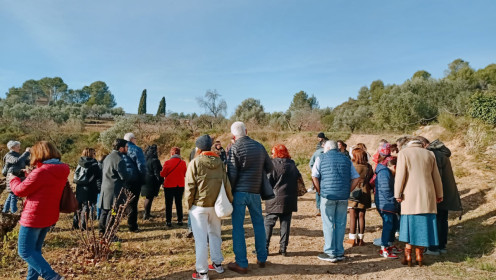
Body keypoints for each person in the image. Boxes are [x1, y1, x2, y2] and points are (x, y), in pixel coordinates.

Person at [9, 141, 69, 280]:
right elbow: (44, 183)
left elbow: (20, 190)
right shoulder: (63, 169)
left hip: (33, 216)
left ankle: (52, 277)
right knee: (35, 251)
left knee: (25, 251)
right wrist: (32, 174)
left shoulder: (41, 172)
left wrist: (13, 179)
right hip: (49, 215)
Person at [227, 121, 274, 274]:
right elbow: (269, 167)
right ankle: (262, 258)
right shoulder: (259, 146)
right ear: (246, 131)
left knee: (238, 228)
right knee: (259, 224)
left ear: (234, 135)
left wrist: (229, 191)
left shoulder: (234, 147)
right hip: (255, 191)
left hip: (239, 192)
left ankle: (241, 263)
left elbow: (232, 173)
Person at [185, 135, 233, 280]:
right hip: (215, 206)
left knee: (200, 240)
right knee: (215, 235)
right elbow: (226, 184)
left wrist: (188, 206)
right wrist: (229, 201)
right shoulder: (219, 162)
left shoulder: (195, 162)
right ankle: (217, 264)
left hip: (199, 206)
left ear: (198, 148)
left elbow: (190, 187)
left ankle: (202, 272)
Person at [394, 137, 443, 267]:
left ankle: (408, 255)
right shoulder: (429, 153)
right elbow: (436, 176)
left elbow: (400, 175)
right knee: (424, 226)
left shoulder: (404, 153)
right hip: (427, 195)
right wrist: (439, 194)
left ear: (408, 145)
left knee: (409, 225)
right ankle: (420, 256)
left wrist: (397, 193)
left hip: (409, 195)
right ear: (421, 145)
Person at [312, 140, 360, 263]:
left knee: (328, 223)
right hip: (343, 196)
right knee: (340, 224)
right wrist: (348, 190)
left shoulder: (321, 158)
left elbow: (314, 175)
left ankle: (329, 252)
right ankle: (339, 251)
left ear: (327, 148)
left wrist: (319, 190)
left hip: (328, 195)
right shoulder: (346, 159)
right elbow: (356, 177)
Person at [417, 137, 462, 255]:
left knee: (435, 220)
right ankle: (442, 246)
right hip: (446, 193)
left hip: (438, 194)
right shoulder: (442, 153)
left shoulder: (433, 155)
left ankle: (433, 248)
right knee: (443, 220)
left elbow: (436, 178)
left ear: (423, 145)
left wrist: (435, 194)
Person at [264, 144, 300, 256]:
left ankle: (264, 248)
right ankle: (283, 249)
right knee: (285, 223)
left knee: (268, 223)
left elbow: (268, 181)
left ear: (275, 153)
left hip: (273, 198)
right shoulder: (292, 164)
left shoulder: (272, 164)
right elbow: (297, 178)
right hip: (289, 198)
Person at [374, 144, 401, 259]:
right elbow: (385, 190)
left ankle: (389, 244)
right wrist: (393, 202)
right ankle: (384, 248)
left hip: (387, 202)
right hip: (385, 203)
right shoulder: (384, 172)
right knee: (388, 225)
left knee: (394, 223)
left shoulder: (385, 170)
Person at [99, 139, 129, 235]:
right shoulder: (120, 160)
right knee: (113, 212)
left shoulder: (107, 157)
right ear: (121, 148)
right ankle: (110, 234)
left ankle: (101, 231)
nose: (127, 149)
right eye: (126, 147)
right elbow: (123, 176)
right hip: (115, 190)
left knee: (104, 211)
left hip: (105, 188)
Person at [346, 148, 373, 247]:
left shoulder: (351, 165)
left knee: (353, 215)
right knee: (362, 216)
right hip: (365, 191)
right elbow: (371, 179)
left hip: (353, 191)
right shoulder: (369, 167)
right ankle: (361, 239)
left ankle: (352, 239)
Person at [123, 133, 147, 232]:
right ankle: (132, 225)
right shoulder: (136, 149)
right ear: (132, 139)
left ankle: (115, 222)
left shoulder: (120, 149)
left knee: (120, 202)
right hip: (134, 179)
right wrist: (143, 178)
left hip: (123, 179)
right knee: (133, 203)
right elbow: (141, 165)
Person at [73, 148, 102, 230]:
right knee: (87, 206)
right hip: (90, 187)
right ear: (91, 154)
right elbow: (98, 177)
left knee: (78, 206)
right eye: (94, 153)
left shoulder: (80, 162)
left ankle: (75, 224)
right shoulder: (94, 164)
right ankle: (83, 225)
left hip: (79, 186)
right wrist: (99, 189)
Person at [160, 147, 187, 227]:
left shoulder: (167, 162)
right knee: (179, 203)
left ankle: (168, 221)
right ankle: (180, 220)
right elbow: (185, 173)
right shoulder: (183, 163)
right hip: (180, 185)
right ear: (179, 154)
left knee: (168, 204)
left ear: (171, 153)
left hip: (169, 185)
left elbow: (163, 174)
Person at [2, 140, 30, 214]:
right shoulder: (9, 156)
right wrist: (26, 152)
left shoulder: (18, 155)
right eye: (18, 147)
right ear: (12, 147)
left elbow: (27, 162)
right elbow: (16, 161)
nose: (19, 148)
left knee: (12, 194)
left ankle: (5, 211)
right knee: (14, 194)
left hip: (18, 176)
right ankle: (14, 212)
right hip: (12, 176)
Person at [141, 145, 164, 220]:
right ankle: (146, 214)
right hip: (151, 182)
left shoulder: (144, 159)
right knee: (149, 198)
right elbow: (157, 172)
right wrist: (161, 181)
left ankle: (146, 213)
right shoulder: (155, 160)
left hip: (144, 180)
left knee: (148, 198)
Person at [309, 141, 325, 212]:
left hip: (318, 174)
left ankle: (318, 208)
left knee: (318, 191)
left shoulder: (316, 152)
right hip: (327, 175)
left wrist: (314, 171)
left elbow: (311, 163)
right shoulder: (332, 154)